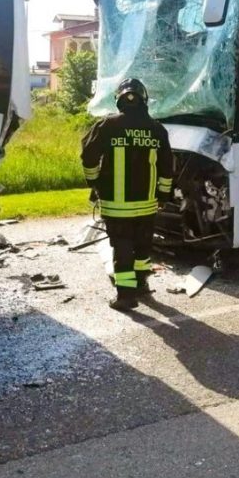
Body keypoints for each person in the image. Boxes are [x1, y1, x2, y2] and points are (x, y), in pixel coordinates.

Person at [81, 78, 174, 311]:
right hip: (147, 204)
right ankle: (141, 284)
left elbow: (89, 157)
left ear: (119, 99)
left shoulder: (107, 126)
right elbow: (166, 167)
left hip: (116, 204)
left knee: (122, 246)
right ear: (145, 100)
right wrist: (163, 196)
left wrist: (93, 182)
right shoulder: (157, 129)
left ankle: (125, 296)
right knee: (142, 246)